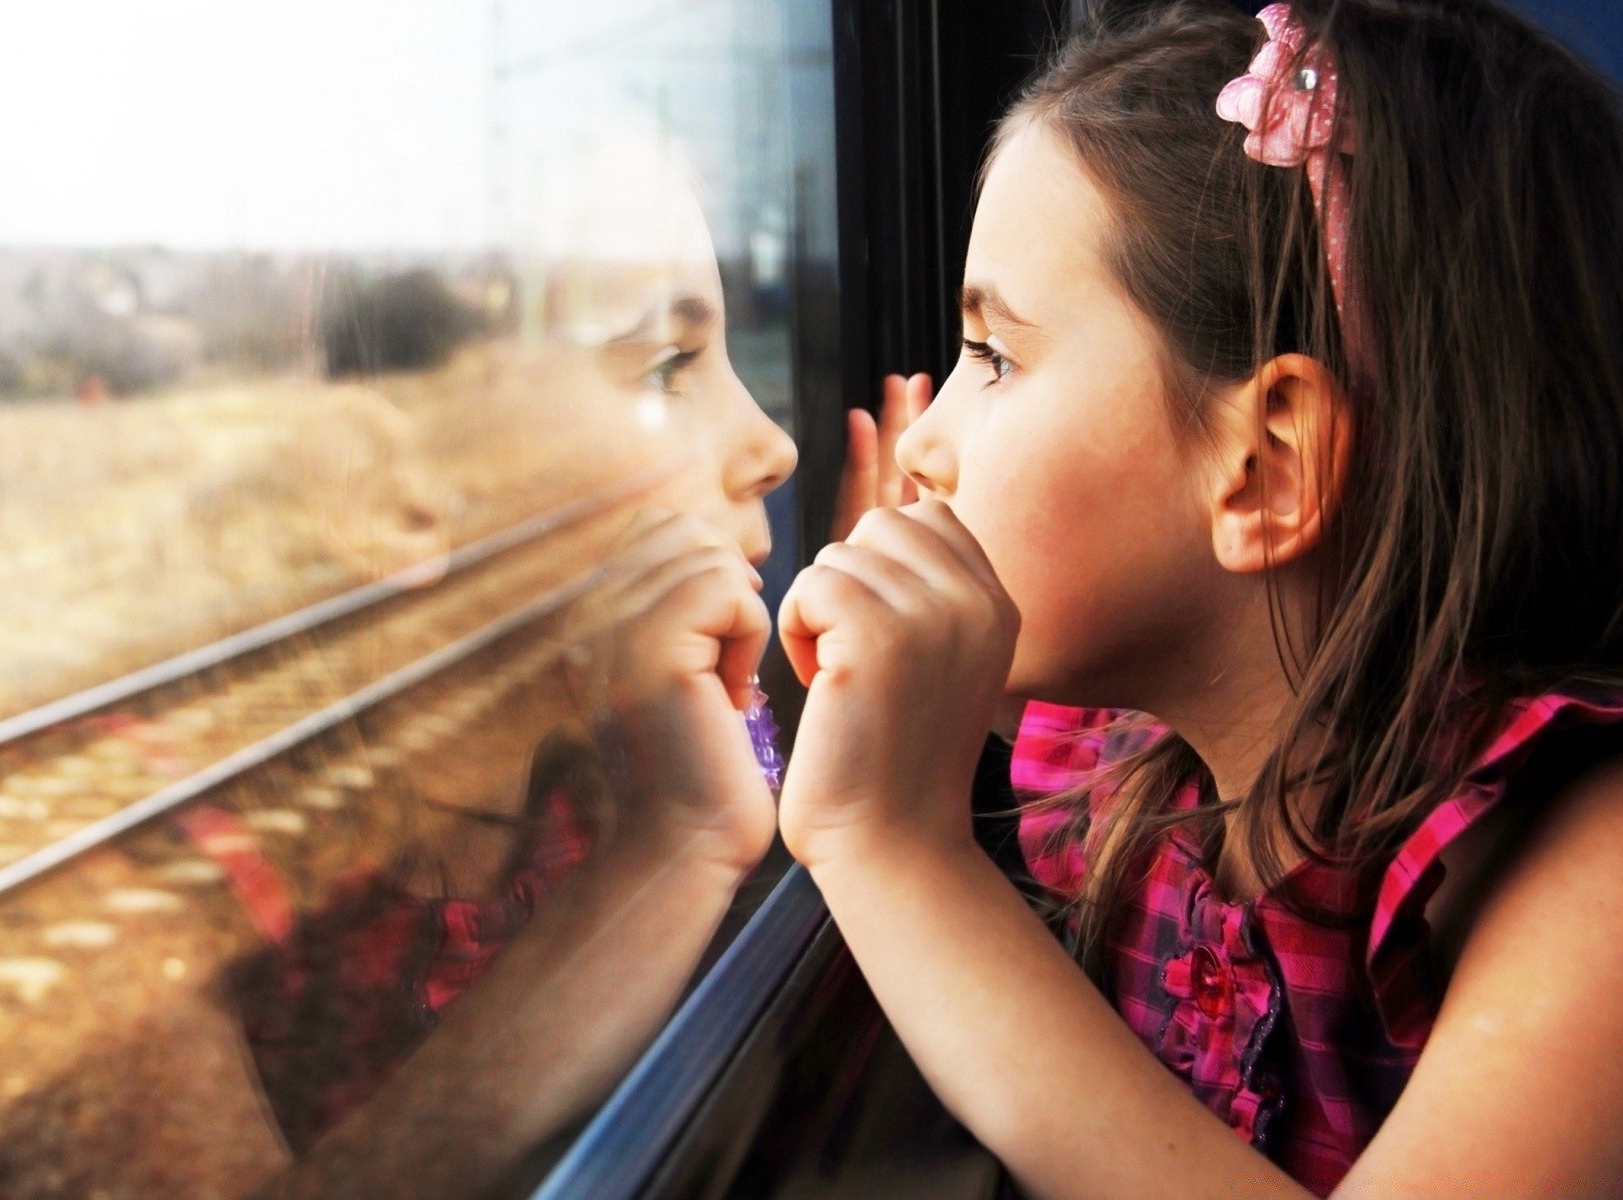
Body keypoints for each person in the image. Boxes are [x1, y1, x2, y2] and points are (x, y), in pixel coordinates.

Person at [756, 0, 1623, 1195]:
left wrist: (895, 850)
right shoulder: (1129, 766)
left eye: (995, 357)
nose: (927, 441)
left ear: (1267, 468)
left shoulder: (1584, 875)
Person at [247, 128, 797, 1197]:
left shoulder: (617, 755)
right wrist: (679, 839)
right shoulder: (211, 885)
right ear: (389, 491)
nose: (772, 442)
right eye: (665, 367)